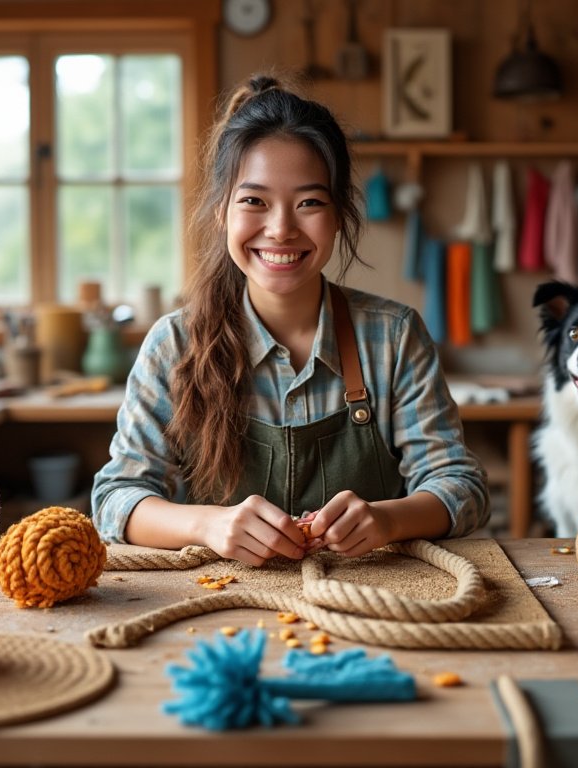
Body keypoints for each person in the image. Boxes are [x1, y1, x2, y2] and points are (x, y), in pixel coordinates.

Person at [91, 74, 488, 566]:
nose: (280, 229)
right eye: (254, 201)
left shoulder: (394, 336)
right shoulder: (173, 344)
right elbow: (115, 499)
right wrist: (207, 524)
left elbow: (461, 486)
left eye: (309, 203)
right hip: (218, 605)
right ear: (222, 212)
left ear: (339, 214)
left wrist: (388, 520)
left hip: (372, 601)